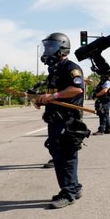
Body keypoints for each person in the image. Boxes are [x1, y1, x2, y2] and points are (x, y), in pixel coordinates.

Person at [34, 32, 86, 209]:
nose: (47, 50)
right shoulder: (54, 70)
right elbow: (52, 93)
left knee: (65, 155)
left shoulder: (71, 68)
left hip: (68, 120)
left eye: (51, 47)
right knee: (59, 153)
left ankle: (68, 193)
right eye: (46, 46)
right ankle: (74, 187)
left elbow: (76, 89)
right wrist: (41, 100)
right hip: (55, 118)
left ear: (62, 49)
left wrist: (53, 96)